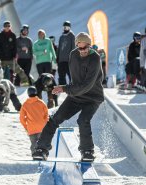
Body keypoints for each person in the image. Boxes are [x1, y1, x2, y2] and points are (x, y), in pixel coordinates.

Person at [33, 32, 104, 162]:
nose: (82, 51)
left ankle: (87, 151)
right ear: (76, 45)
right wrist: (68, 88)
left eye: (85, 48)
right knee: (55, 119)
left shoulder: (95, 58)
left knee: (83, 120)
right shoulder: (73, 54)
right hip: (76, 96)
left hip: (92, 97)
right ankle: (41, 149)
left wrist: (65, 88)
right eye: (79, 47)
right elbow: (75, 79)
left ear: (89, 45)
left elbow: (87, 85)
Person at [20, 86, 49, 158]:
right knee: (42, 142)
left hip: (31, 128)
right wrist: (45, 123)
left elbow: (21, 118)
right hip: (41, 127)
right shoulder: (41, 102)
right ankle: (44, 154)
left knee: (33, 143)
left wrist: (26, 127)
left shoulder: (25, 104)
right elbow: (46, 115)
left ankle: (34, 155)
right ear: (36, 92)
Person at [0, 21, 28, 85]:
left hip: (11, 58)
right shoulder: (0, 35)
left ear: (10, 27)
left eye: (8, 26)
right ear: (4, 27)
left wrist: (15, 55)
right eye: (6, 26)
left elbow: (15, 46)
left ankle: (25, 82)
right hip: (2, 58)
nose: (7, 27)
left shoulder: (12, 35)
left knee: (18, 70)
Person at [57, 21, 75, 85]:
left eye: (67, 27)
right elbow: (59, 48)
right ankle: (62, 87)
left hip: (68, 59)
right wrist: (57, 57)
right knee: (61, 74)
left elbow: (73, 47)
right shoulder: (61, 37)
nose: (66, 28)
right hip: (61, 60)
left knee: (70, 74)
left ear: (69, 28)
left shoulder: (72, 36)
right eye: (64, 27)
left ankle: (72, 86)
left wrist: (72, 57)